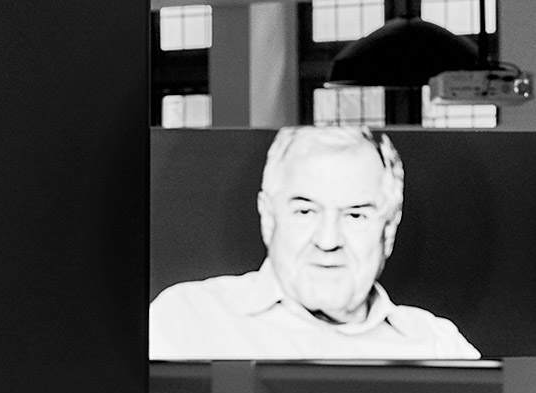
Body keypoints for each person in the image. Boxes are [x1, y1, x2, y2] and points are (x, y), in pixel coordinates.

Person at [149, 125, 479, 360]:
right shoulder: (186, 321)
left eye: (356, 215)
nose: (328, 241)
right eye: (306, 211)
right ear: (268, 217)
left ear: (389, 229)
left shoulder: (439, 345)